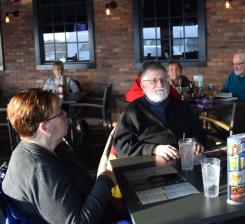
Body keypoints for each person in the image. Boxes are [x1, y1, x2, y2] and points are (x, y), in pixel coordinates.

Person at [2, 89, 119, 223]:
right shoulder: (40, 171)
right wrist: (105, 181)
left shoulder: (49, 147)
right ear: (44, 128)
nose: (66, 114)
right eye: (60, 113)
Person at [114, 61, 207, 160]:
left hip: (185, 160)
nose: (160, 84)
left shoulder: (181, 106)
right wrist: (154, 149)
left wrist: (195, 141)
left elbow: (198, 130)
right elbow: (122, 146)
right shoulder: (133, 111)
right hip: (150, 164)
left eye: (163, 79)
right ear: (143, 86)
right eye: (153, 80)